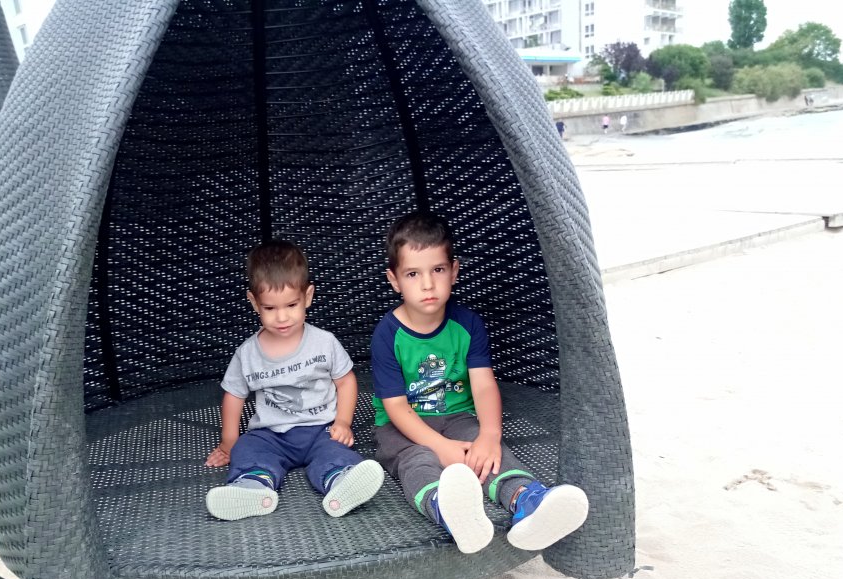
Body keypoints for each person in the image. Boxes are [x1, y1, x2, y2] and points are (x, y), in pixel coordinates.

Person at [370, 212, 589, 553]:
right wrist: (440, 447)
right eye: (413, 274)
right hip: (401, 425)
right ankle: (447, 510)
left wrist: (489, 435)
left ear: (454, 271)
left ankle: (528, 501)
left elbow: (484, 385)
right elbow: (396, 407)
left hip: (457, 417)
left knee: (488, 454)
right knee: (416, 460)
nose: (427, 284)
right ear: (394, 280)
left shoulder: (467, 324)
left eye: (437, 270)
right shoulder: (387, 334)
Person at [205, 240, 384, 520]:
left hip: (321, 429)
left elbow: (346, 381)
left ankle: (341, 482)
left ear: (308, 296)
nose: (282, 317)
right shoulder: (247, 353)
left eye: (291, 304)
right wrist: (229, 442)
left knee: (336, 452)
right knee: (247, 449)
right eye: (270, 308)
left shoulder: (324, 342)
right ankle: (253, 486)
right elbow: (234, 396)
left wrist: (343, 422)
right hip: (270, 434)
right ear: (254, 302)